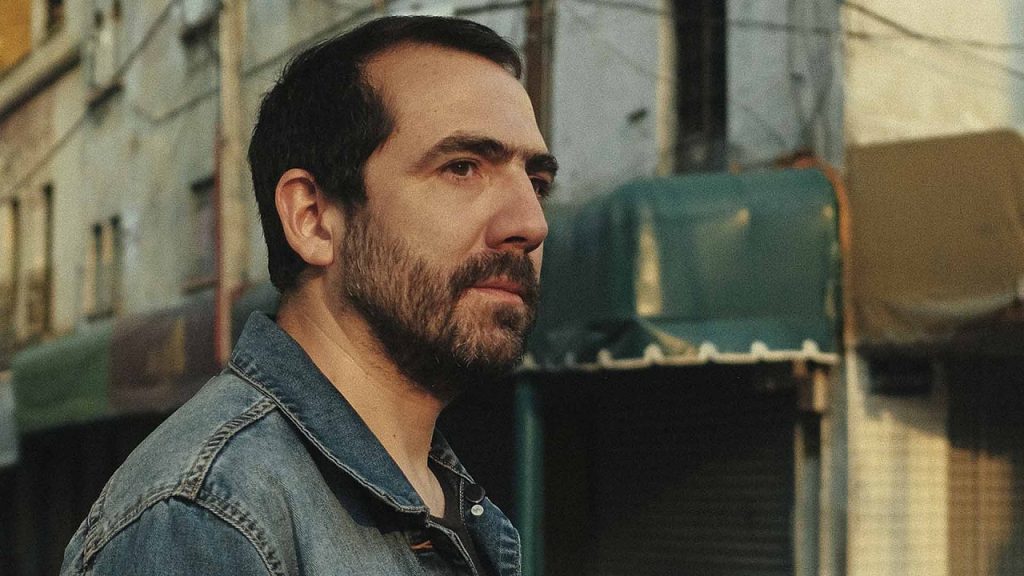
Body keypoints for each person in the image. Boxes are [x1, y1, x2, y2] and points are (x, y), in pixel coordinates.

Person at [60, 15, 556, 576]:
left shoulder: (450, 503)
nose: (531, 223)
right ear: (313, 217)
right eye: (462, 168)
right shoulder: (208, 520)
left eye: (537, 183)